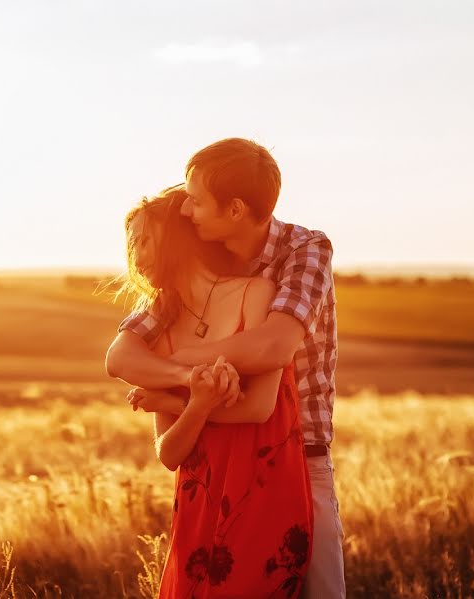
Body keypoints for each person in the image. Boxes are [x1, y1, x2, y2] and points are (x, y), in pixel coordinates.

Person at [106, 138, 345, 599]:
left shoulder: (303, 251)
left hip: (295, 457)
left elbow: (273, 347)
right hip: (210, 465)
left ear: (234, 210)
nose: (188, 210)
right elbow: (121, 357)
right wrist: (187, 388)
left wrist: (174, 376)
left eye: (196, 201)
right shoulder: (190, 274)